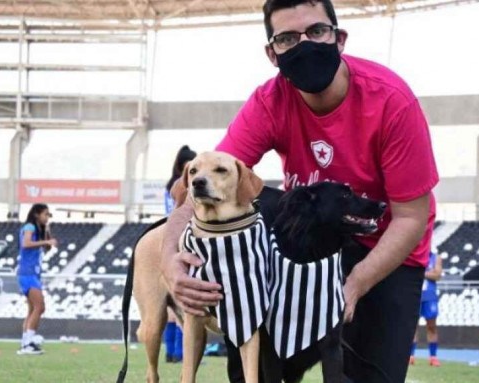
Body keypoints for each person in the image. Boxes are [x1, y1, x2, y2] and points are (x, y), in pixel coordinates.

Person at [160, 0, 438, 381]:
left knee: (367, 375)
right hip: (309, 249)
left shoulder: (392, 101)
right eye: (288, 38)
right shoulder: (268, 102)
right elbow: (208, 188)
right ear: (272, 54)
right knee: (249, 196)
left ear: (339, 39)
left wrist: (353, 284)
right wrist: (169, 259)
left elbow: (410, 218)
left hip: (385, 244)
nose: (305, 45)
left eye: (317, 32)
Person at [162, 145, 197, 363]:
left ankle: (172, 352)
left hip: (167, 238)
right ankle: (180, 352)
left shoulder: (170, 185)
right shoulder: (181, 185)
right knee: (180, 304)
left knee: (172, 304)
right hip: (178, 239)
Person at [16, 203, 57, 356]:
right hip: (28, 273)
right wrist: (46, 242)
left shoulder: (38, 230)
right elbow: (25, 244)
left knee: (32, 310)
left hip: (32, 273)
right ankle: (28, 343)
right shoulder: (29, 227)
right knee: (40, 307)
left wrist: (46, 234)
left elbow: (46, 248)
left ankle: (26, 342)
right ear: (36, 214)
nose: (47, 217)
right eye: (45, 214)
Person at [411, 251, 443, 367]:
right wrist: (430, 273)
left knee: (432, 326)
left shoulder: (436, 258)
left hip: (430, 296)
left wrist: (420, 272)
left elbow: (437, 275)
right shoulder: (414, 255)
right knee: (412, 327)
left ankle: (433, 357)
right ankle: (411, 355)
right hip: (415, 295)